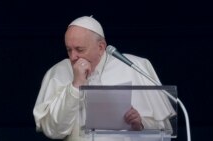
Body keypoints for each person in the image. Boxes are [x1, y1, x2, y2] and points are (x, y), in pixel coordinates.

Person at [33, 16, 176, 141]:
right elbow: (53, 131)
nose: (73, 57)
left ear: (101, 47)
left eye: (80, 49)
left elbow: (164, 128)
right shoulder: (57, 72)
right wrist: (75, 86)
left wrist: (141, 124)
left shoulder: (134, 66)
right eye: (69, 50)